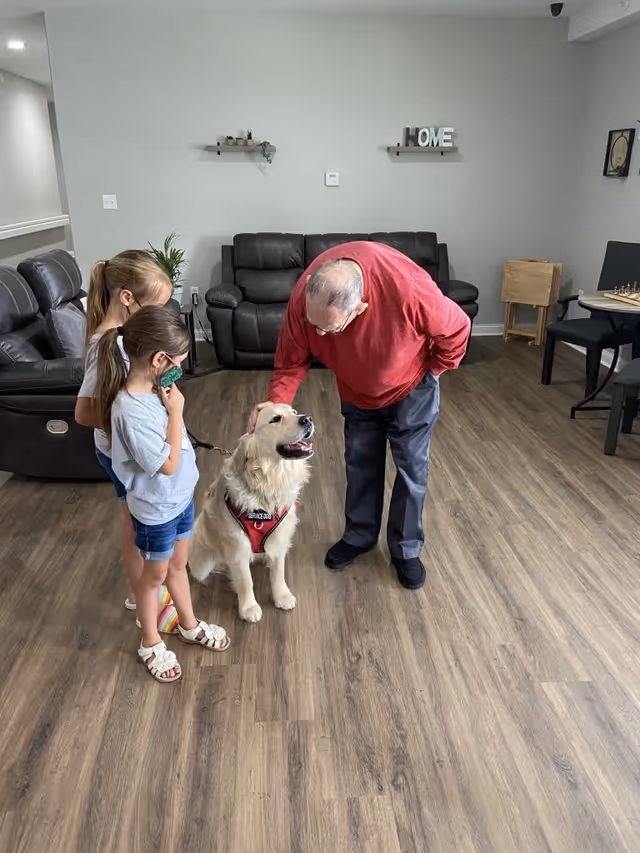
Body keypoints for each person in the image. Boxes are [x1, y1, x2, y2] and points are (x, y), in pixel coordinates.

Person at [248, 241, 470, 590]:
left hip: (412, 388)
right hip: (357, 391)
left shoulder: (407, 289)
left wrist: (435, 371)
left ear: (360, 309)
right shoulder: (305, 298)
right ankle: (360, 535)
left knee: (411, 469)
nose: (318, 335)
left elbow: (458, 327)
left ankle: (405, 550)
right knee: (360, 464)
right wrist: (275, 406)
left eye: (329, 330)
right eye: (313, 325)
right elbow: (291, 361)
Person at [95, 305, 230, 682]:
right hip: (157, 509)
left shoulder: (158, 389)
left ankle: (188, 624)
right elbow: (167, 464)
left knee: (177, 565)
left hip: (180, 500)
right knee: (153, 577)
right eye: (179, 362)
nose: (180, 370)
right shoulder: (129, 410)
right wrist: (176, 412)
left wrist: (170, 405)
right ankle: (150, 640)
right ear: (159, 359)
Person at [75, 250, 178, 634]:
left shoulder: (123, 338)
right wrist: (132, 422)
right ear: (127, 299)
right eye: (155, 309)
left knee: (135, 520)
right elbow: (84, 413)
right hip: (121, 453)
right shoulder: (107, 345)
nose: (159, 319)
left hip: (129, 450)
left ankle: (141, 591)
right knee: (137, 524)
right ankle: (140, 597)